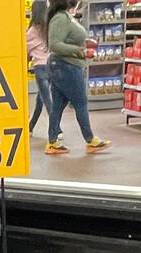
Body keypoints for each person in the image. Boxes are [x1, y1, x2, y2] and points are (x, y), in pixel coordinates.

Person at [45, 0, 109, 155]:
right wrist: (81, 51)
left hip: (63, 66)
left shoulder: (65, 16)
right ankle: (90, 140)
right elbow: (54, 44)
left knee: (58, 105)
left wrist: (85, 42)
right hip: (65, 66)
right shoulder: (60, 18)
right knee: (80, 102)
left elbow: (67, 38)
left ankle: (52, 142)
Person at [27, 0, 52, 132]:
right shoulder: (49, 28)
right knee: (41, 98)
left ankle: (57, 129)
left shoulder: (32, 31)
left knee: (47, 100)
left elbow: (25, 51)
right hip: (52, 66)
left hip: (40, 68)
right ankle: (30, 126)